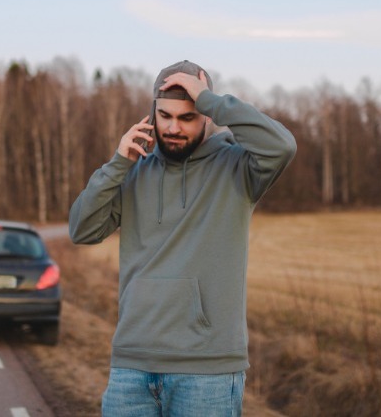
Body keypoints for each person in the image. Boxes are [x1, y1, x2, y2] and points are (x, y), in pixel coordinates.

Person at [69, 60, 297, 416]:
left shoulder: (238, 168)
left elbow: (282, 146)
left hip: (207, 372)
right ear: (152, 113)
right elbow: (81, 230)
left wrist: (210, 98)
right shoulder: (132, 171)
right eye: (165, 116)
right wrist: (117, 164)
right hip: (132, 366)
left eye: (187, 117)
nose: (174, 127)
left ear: (206, 115)